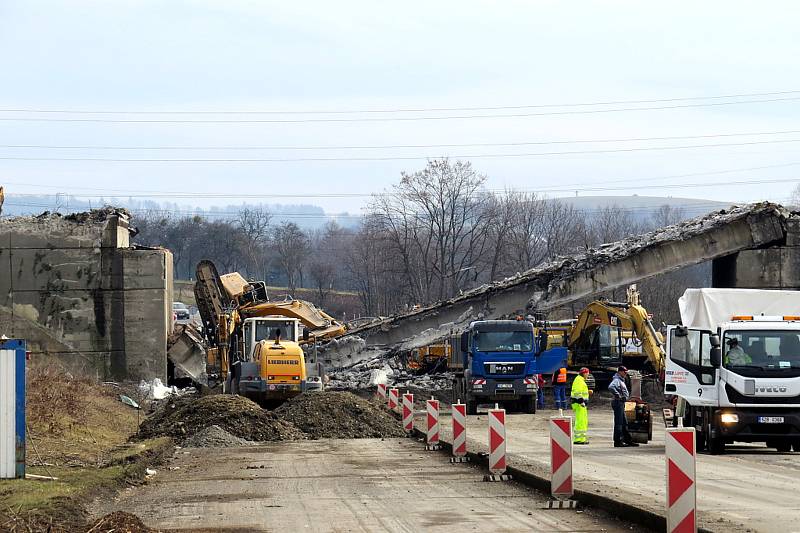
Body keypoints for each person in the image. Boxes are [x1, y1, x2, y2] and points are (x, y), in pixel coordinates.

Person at [608, 366, 638, 447]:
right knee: (619, 423)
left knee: (624, 422)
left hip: (620, 403)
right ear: (620, 372)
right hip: (618, 402)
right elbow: (611, 387)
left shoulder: (621, 380)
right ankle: (617, 441)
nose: (625, 374)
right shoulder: (617, 380)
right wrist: (619, 396)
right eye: (624, 372)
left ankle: (627, 440)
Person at [570, 368, 592, 444]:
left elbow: (580, 391)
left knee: (582, 421)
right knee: (580, 421)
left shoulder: (580, 380)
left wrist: (588, 392)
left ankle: (582, 439)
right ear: (585, 373)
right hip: (580, 404)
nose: (588, 375)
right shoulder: (579, 380)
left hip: (581, 404)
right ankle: (578, 439)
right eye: (587, 373)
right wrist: (581, 401)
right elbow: (577, 392)